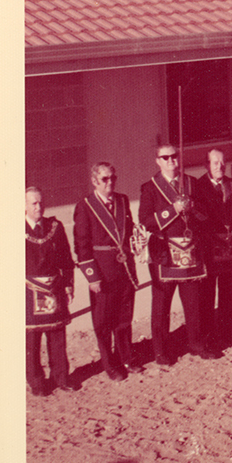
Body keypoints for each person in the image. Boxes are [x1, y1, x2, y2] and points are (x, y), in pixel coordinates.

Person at [140, 143, 218, 363]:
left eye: (174, 156)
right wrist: (172, 210)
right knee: (162, 304)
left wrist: (192, 207)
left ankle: (196, 343)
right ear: (158, 161)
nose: (171, 160)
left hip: (189, 250)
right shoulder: (150, 188)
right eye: (166, 158)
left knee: (194, 302)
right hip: (164, 252)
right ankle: (161, 351)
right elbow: (146, 222)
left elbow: (206, 216)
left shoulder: (191, 183)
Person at [74, 162, 141, 379]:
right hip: (102, 271)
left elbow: (128, 231)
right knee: (103, 322)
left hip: (123, 268)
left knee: (124, 317)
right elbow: (81, 246)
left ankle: (127, 358)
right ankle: (110, 364)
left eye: (113, 177)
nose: (110, 182)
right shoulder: (85, 206)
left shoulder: (121, 200)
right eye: (104, 179)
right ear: (94, 181)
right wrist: (92, 277)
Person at [27, 187, 78, 395]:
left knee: (57, 337)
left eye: (41, 202)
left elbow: (66, 258)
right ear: (24, 206)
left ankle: (62, 377)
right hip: (28, 291)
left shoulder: (54, 226)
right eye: (33, 203)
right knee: (31, 341)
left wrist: (68, 284)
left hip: (54, 288)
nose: (39, 207)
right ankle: (37, 383)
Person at [193, 149, 232, 349]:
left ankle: (228, 332)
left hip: (230, 247)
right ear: (207, 165)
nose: (219, 166)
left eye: (222, 162)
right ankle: (209, 334)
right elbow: (197, 218)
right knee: (207, 294)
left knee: (229, 292)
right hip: (209, 248)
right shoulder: (197, 187)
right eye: (215, 163)